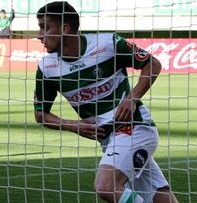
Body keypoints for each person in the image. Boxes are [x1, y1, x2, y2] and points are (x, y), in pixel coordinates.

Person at [33, 1, 178, 203]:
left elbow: (152, 63)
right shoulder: (47, 68)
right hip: (109, 141)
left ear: (65, 28)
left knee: (106, 186)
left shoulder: (107, 44)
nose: (39, 35)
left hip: (134, 128)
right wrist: (74, 126)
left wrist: (132, 98)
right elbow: (41, 115)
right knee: (160, 198)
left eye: (45, 27)